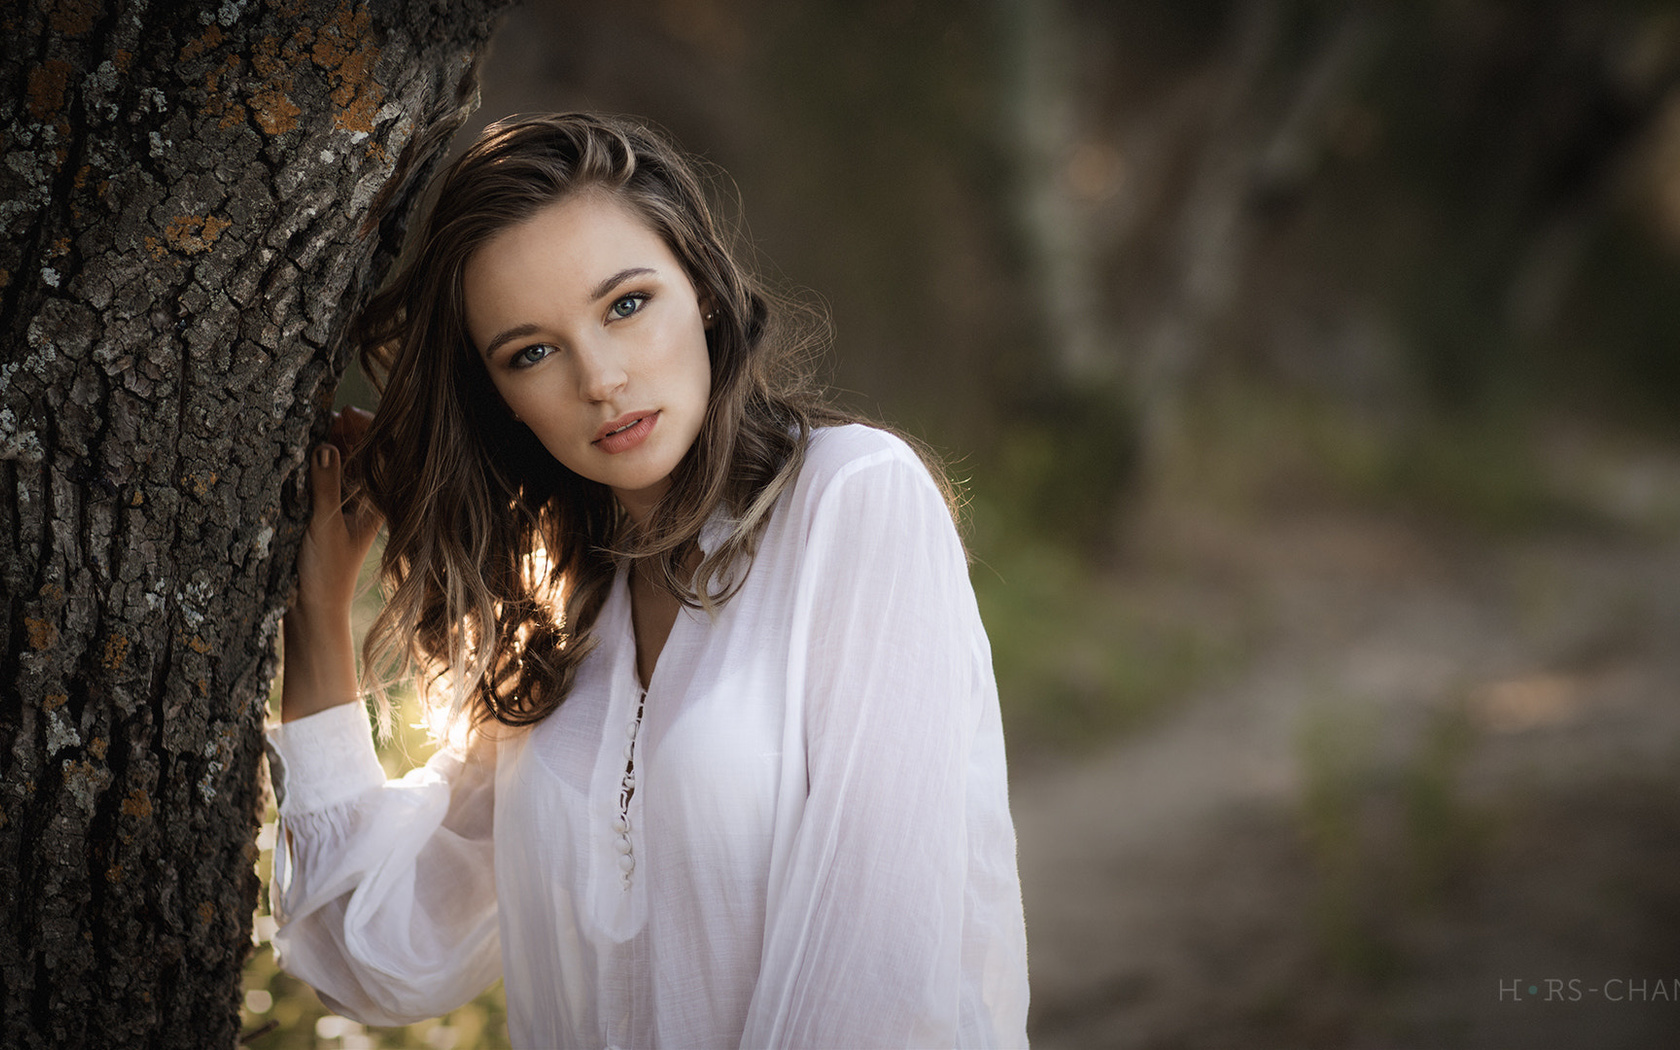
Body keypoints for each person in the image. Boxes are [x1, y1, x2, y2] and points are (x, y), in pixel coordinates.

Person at [267, 112, 1030, 1049]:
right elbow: (378, 956)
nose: (600, 378)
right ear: (498, 395)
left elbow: (877, 972)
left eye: (626, 304)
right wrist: (317, 614)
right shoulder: (557, 615)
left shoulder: (854, 502)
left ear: (702, 290)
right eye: (532, 351)